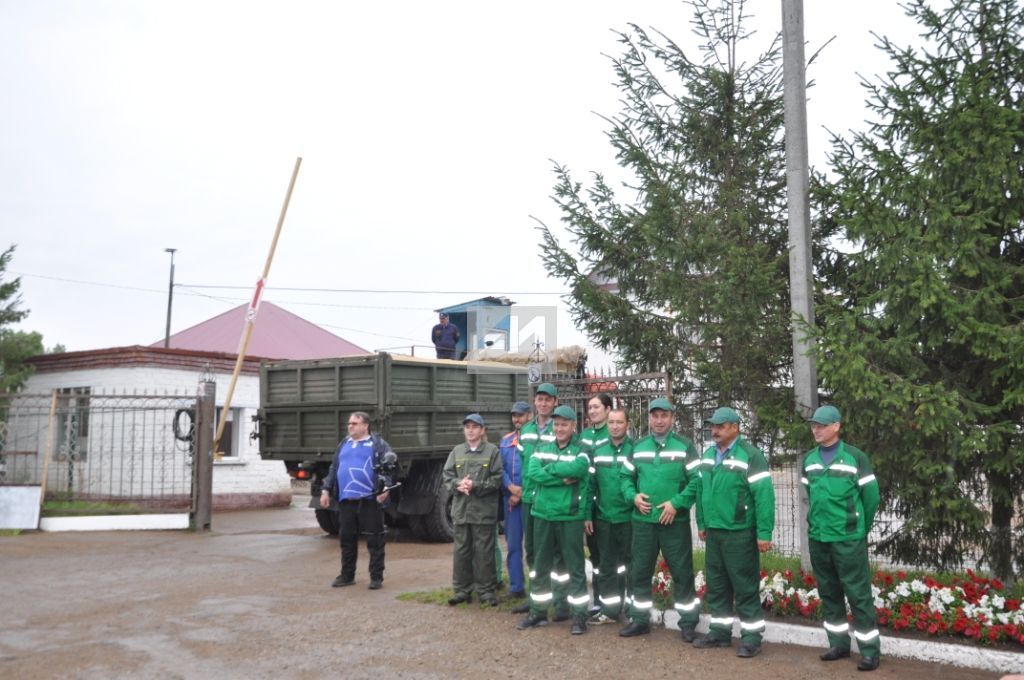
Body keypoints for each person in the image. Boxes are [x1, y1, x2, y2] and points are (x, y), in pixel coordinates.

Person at [802, 405, 881, 672]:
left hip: (847, 538)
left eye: (822, 425)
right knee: (829, 592)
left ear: (836, 426)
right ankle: (838, 644)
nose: (816, 429)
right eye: (814, 425)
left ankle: (869, 651)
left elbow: (870, 499)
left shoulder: (856, 458)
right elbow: (809, 495)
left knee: (858, 593)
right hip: (819, 537)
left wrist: (858, 527)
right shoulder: (809, 459)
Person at [694, 406, 775, 658]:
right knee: (717, 585)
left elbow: (764, 496)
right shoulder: (708, 455)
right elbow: (700, 490)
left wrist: (764, 532)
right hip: (715, 532)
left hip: (740, 532)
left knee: (744, 585)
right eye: (713, 426)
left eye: (720, 426)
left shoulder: (751, 455)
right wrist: (702, 522)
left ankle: (751, 637)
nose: (714, 430)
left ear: (735, 428)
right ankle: (720, 631)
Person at [619, 398, 702, 640]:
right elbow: (625, 478)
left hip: (673, 523)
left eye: (664, 416)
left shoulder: (685, 446)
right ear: (649, 418)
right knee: (639, 573)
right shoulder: (638, 447)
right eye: (655, 416)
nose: (659, 420)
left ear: (672, 418)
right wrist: (633, 497)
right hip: (643, 522)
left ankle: (688, 623)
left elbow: (697, 480)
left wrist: (676, 503)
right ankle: (640, 619)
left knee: (682, 573)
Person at [517, 404, 591, 635]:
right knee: (540, 566)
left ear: (573, 426)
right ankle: (538, 612)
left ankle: (579, 616)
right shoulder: (542, 447)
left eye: (564, 424)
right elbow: (533, 472)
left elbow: (579, 469)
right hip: (542, 514)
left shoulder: (582, 449)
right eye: (557, 424)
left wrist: (550, 473)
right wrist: (561, 477)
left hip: (569, 515)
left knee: (575, 567)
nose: (560, 428)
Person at [320, 411, 395, 590]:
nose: (350, 426)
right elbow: (334, 468)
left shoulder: (377, 445)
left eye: (354, 423)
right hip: (347, 500)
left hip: (369, 500)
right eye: (349, 423)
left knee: (374, 539)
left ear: (365, 425)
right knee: (346, 538)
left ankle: (376, 577)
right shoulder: (344, 444)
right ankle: (347, 575)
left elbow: (389, 469)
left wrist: (385, 488)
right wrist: (325, 490)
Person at [443, 413, 504, 607]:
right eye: (467, 427)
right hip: (461, 511)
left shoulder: (492, 451)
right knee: (461, 552)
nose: (470, 430)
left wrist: (474, 485)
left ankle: (486, 591)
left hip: (483, 512)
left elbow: (497, 479)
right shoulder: (457, 451)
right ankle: (462, 590)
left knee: (484, 553)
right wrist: (457, 485)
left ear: (482, 430)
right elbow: (447, 476)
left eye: (475, 427)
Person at [510, 382, 558, 615]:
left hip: (550, 498)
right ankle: (535, 596)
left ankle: (558, 599)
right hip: (529, 496)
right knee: (530, 548)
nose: (543, 403)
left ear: (555, 402)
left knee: (551, 551)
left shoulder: (559, 428)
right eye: (540, 399)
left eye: (548, 399)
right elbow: (521, 461)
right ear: (535, 403)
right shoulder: (526, 430)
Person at [587, 404, 634, 625]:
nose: (614, 427)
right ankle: (610, 610)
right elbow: (590, 486)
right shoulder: (598, 451)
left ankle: (633, 610)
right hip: (604, 518)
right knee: (607, 566)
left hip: (629, 519)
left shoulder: (635, 450)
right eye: (611, 422)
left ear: (627, 425)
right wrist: (587, 514)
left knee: (631, 566)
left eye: (619, 422)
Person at [501, 400, 532, 601]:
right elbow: (499, 468)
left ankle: (539, 590)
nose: (517, 419)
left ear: (529, 415)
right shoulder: (505, 441)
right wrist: (511, 489)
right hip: (510, 501)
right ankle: (516, 587)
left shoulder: (535, 440)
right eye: (514, 415)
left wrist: (522, 492)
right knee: (513, 546)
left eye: (520, 415)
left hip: (530, 500)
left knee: (534, 547)